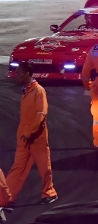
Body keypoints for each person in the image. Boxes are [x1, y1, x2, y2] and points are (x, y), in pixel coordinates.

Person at [5, 62, 58, 206]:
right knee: (18, 167)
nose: (17, 76)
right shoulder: (27, 92)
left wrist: (29, 132)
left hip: (37, 137)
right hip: (24, 137)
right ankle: (6, 198)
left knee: (43, 167)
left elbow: (41, 114)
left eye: (19, 73)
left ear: (28, 74)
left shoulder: (38, 91)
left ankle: (49, 193)